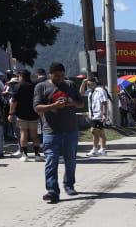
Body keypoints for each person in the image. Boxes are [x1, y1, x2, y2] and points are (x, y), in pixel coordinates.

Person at [34, 62, 84, 203]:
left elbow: (81, 103)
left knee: (71, 160)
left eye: (62, 75)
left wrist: (71, 102)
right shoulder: (41, 87)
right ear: (50, 74)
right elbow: (37, 108)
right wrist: (53, 106)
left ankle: (69, 185)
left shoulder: (70, 85)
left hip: (70, 130)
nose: (60, 78)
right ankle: (52, 190)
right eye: (57, 76)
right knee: (51, 161)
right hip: (51, 131)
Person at [8, 70, 41, 161]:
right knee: (35, 135)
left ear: (21, 75)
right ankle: (37, 155)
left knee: (23, 134)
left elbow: (14, 101)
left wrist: (11, 113)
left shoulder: (17, 86)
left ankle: (25, 155)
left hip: (21, 114)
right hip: (34, 113)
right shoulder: (35, 85)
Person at [85, 77, 112, 157]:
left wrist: (104, 114)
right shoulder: (90, 91)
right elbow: (81, 93)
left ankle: (97, 149)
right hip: (93, 115)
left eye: (90, 84)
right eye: (88, 84)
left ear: (95, 83)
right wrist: (83, 82)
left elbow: (104, 102)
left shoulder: (100, 90)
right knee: (99, 132)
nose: (89, 86)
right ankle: (100, 149)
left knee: (94, 131)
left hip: (98, 115)